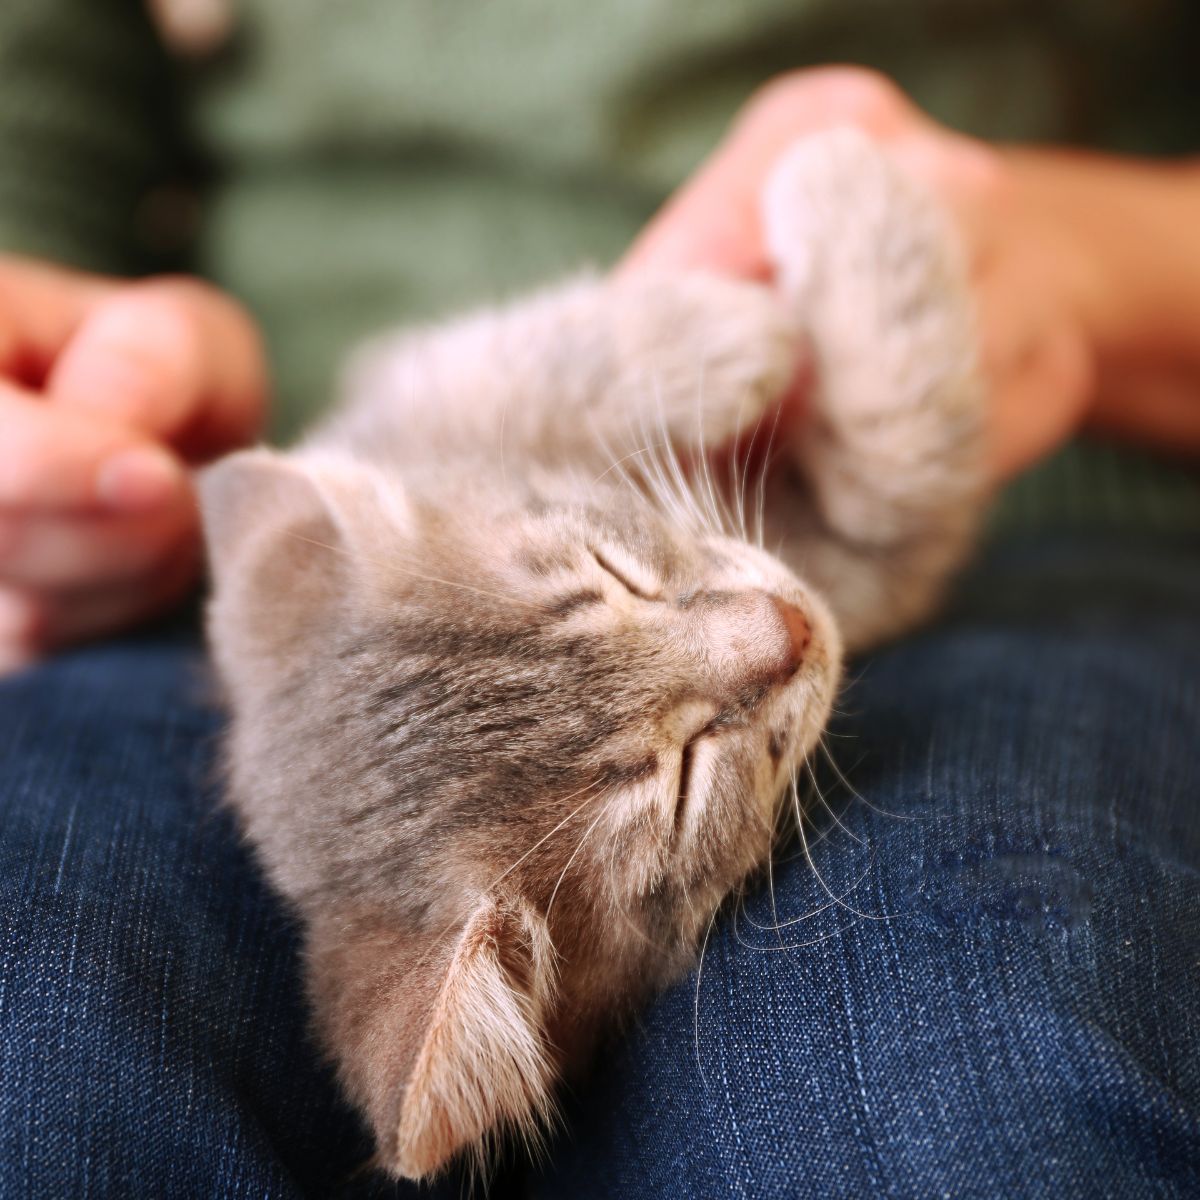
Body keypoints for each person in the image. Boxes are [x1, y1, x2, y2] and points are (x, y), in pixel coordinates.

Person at [1, 2, 1197, 1195]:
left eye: (616, 586)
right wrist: (52, 377)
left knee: (971, 1087)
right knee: (40, 1071)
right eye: (678, 780)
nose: (767, 633)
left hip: (1063, 518)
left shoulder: (429, 496)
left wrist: (1086, 266)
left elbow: (418, 425)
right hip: (160, 581)